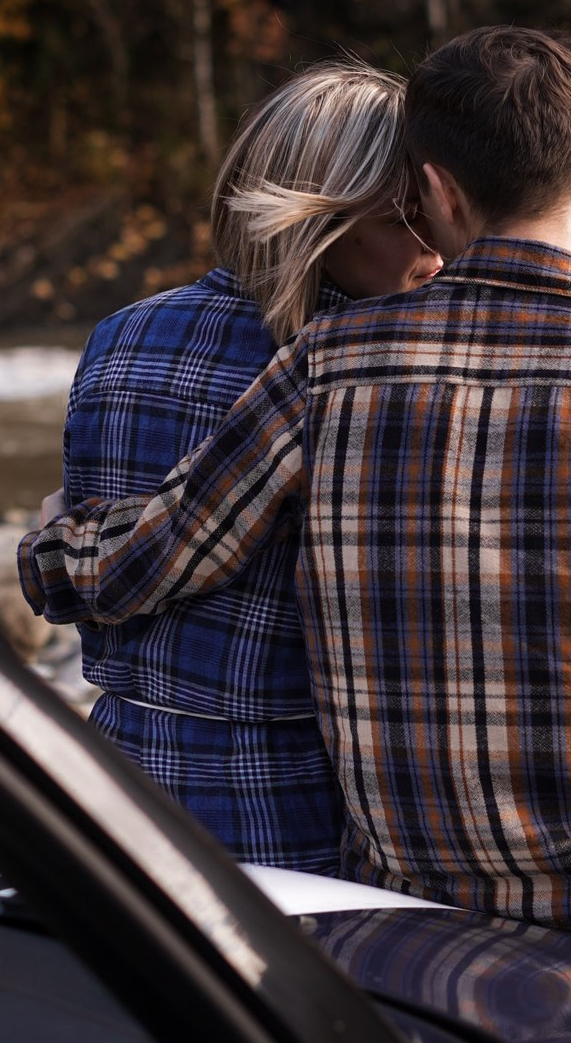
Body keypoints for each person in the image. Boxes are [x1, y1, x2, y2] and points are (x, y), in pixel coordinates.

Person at [21, 27, 571, 966]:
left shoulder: (200, 348)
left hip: (183, 820)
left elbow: (144, 557)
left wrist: (51, 543)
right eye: (402, 219)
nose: (428, 251)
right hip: (521, 877)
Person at [50, 60, 440, 873]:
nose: (435, 252)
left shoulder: (118, 334)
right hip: (294, 817)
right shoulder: (370, 373)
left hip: (114, 787)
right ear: (322, 220)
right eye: (406, 218)